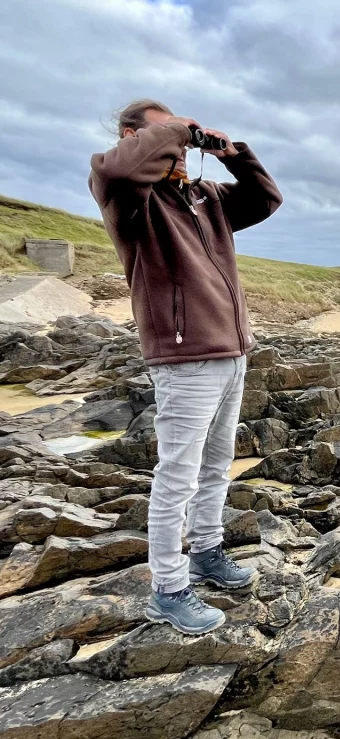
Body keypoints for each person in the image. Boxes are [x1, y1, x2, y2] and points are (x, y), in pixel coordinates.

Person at [89, 99, 282, 634]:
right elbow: (122, 165)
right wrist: (178, 130)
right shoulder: (129, 197)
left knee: (217, 465)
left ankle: (208, 551)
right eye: (167, 136)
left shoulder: (205, 198)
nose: (180, 147)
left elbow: (267, 199)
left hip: (231, 352)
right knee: (176, 475)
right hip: (183, 358)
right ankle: (168, 588)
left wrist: (232, 154)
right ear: (133, 135)